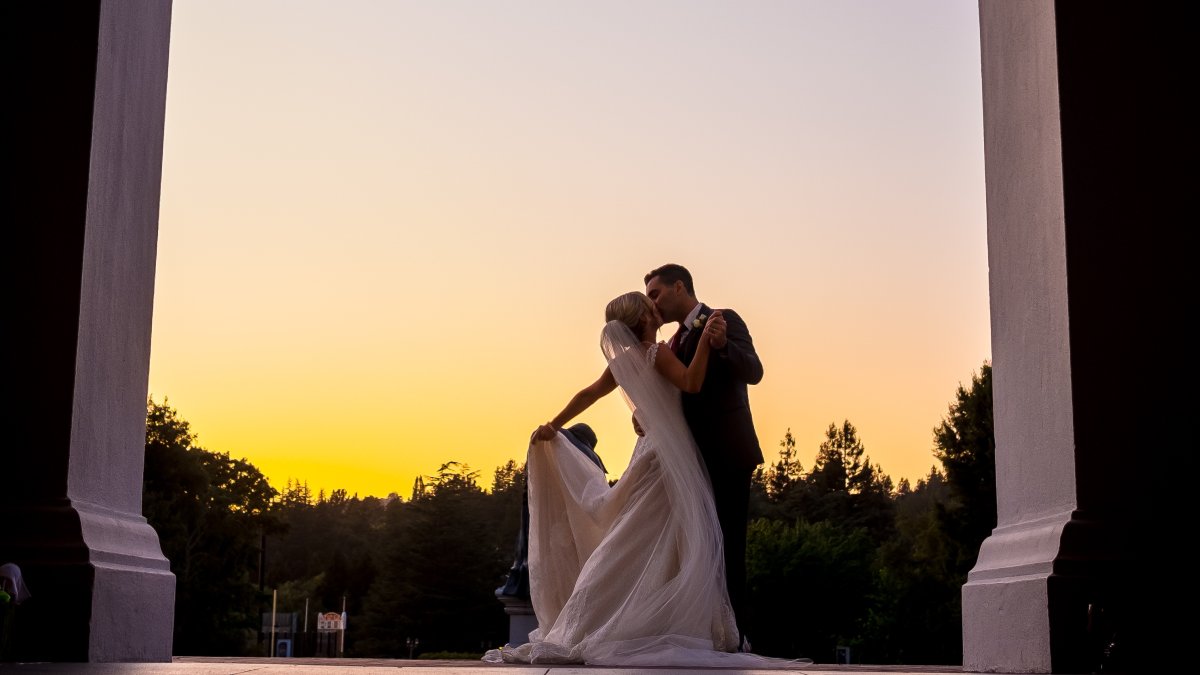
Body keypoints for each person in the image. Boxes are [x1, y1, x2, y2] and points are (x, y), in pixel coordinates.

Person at [483, 292, 798, 668]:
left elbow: (589, 393)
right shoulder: (655, 351)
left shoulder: (623, 361)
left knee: (639, 534)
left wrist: (555, 423)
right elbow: (692, 383)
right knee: (661, 535)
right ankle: (654, 619)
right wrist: (707, 350)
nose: (656, 306)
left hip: (648, 451)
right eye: (650, 303)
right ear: (645, 316)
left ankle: (601, 615)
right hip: (670, 457)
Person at [644, 263, 764, 650]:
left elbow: (755, 371)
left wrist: (723, 346)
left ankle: (735, 637)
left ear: (680, 286)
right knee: (694, 547)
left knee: (728, 545)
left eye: (656, 294)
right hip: (686, 461)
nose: (653, 304)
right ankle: (702, 632)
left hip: (727, 453)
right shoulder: (673, 342)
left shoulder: (722, 320)